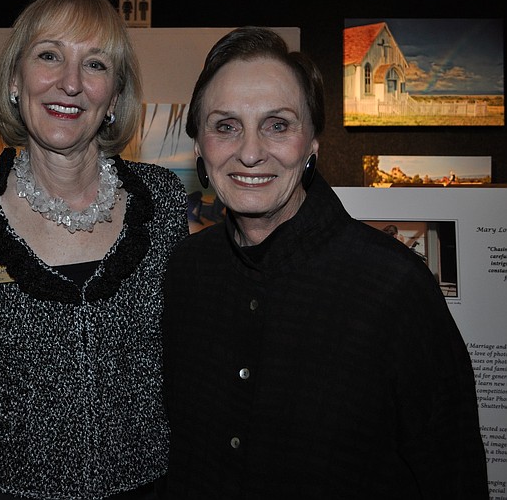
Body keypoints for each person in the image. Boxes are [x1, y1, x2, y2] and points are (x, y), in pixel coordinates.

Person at [162, 27, 488, 498]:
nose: (250, 152)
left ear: (312, 144)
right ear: (200, 147)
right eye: (225, 125)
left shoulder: (394, 287)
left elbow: (454, 476)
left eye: (278, 124)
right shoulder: (186, 273)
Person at [0, 0, 188, 499]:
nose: (70, 83)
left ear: (115, 95)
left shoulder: (162, 203)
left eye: (95, 65)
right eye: (49, 56)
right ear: (14, 79)